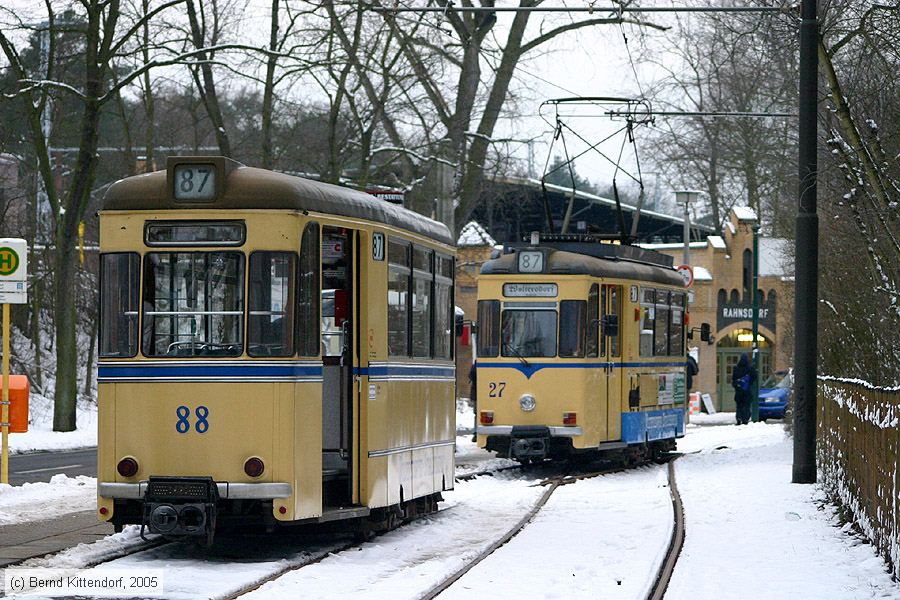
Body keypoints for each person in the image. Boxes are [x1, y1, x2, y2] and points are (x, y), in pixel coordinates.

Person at [732, 352, 757, 425]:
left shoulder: (736, 368)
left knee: (739, 405)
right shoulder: (750, 368)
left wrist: (737, 385)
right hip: (747, 390)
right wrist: (749, 383)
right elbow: (754, 377)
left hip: (739, 391)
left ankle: (739, 418)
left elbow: (733, 379)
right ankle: (745, 419)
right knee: (746, 405)